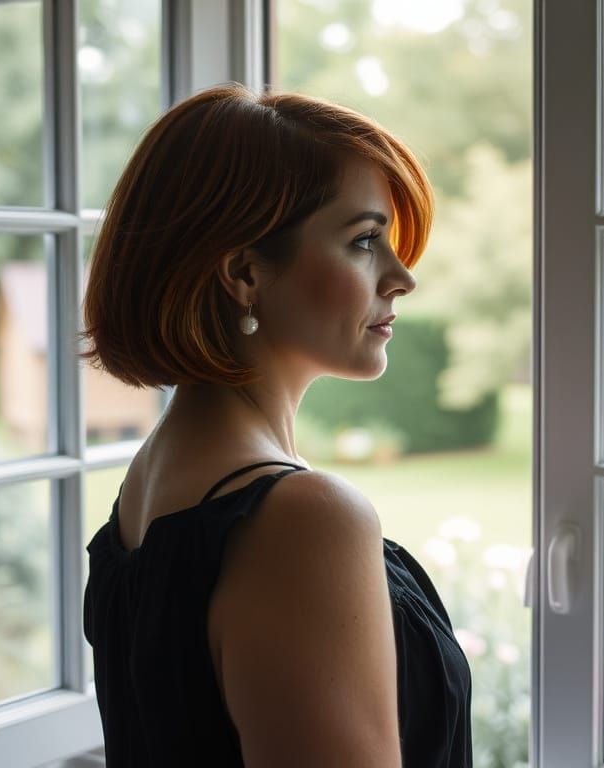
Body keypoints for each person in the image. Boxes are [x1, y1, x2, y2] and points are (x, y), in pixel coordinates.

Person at [80, 81, 472, 767]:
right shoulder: (303, 518)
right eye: (363, 242)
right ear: (244, 273)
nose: (402, 276)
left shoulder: (154, 479)